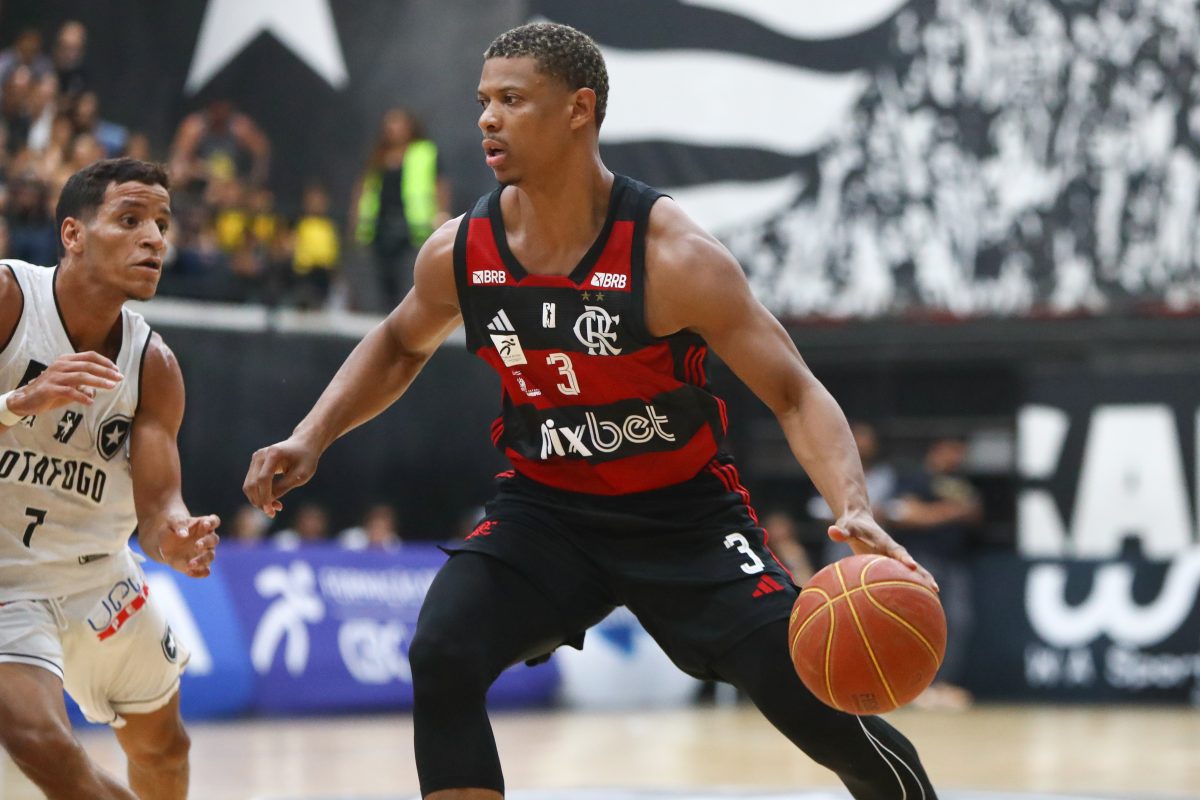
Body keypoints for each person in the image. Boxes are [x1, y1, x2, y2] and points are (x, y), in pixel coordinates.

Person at [244, 23, 938, 800]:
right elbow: (399, 343)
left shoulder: (673, 256)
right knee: (442, 651)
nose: (487, 118)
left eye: (512, 100)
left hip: (685, 520)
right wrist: (312, 436)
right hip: (547, 513)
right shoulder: (460, 251)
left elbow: (794, 391)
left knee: (813, 704)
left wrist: (851, 503)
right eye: (483, 101)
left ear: (579, 109)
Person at [0, 157, 220, 800]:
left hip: (98, 578)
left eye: (162, 225)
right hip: (7, 582)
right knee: (43, 744)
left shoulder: (154, 365)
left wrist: (175, 537)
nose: (154, 239)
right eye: (130, 220)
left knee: (165, 747)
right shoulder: (10, 301)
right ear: (73, 234)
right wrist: (17, 403)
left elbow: (158, 507)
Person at [883, 437, 981, 709]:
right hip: (922, 560)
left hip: (955, 561)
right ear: (938, 450)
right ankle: (914, 685)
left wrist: (944, 512)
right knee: (918, 622)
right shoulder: (916, 478)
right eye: (953, 451)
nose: (957, 458)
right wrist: (950, 512)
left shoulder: (961, 483)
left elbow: (976, 514)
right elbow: (904, 513)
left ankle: (942, 685)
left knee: (957, 622)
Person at [349, 107, 451, 310]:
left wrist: (441, 214)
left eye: (398, 123)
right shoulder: (378, 155)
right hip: (377, 227)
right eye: (390, 123)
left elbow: (440, 185)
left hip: (414, 228)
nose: (393, 128)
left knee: (410, 281)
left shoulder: (424, 152)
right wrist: (356, 219)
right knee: (378, 284)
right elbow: (362, 188)